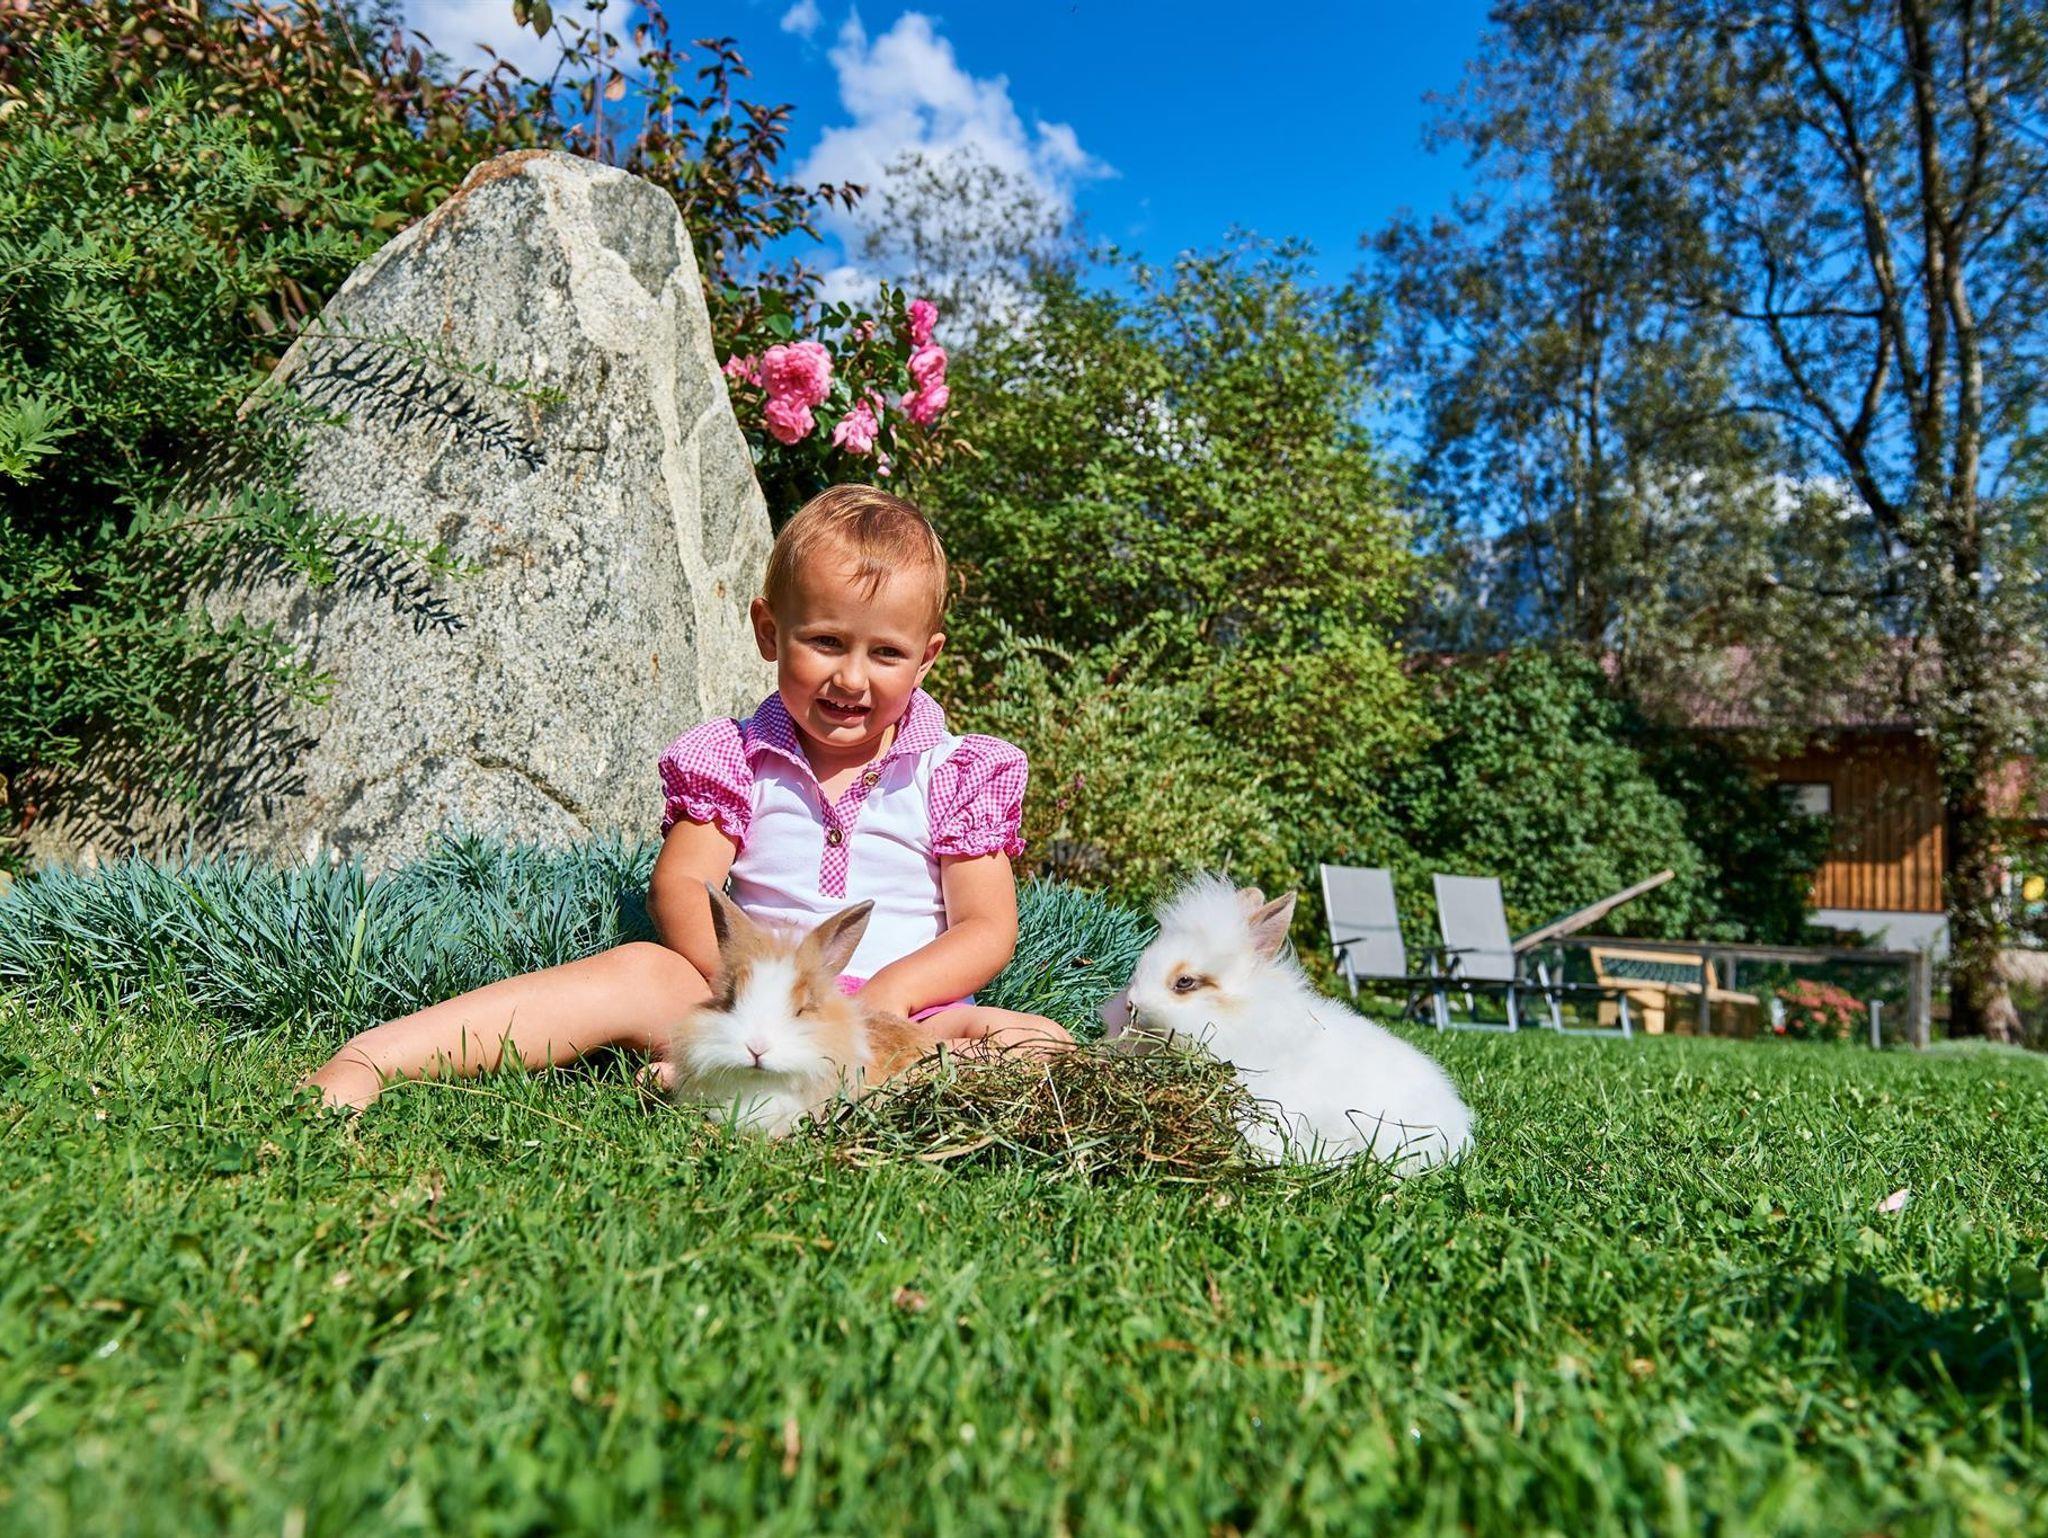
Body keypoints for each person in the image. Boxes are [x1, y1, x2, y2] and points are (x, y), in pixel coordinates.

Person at [306, 484, 1071, 1111]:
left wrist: (894, 995)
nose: (851, 677)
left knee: (1036, 1043)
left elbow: (985, 925)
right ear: (769, 631)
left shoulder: (955, 772)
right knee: (638, 970)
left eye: (887, 654)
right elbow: (680, 883)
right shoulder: (737, 758)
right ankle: (374, 1059)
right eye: (826, 642)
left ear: (926, 659)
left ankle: (750, 1086)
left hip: (904, 1018)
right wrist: (743, 990)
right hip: (745, 1000)